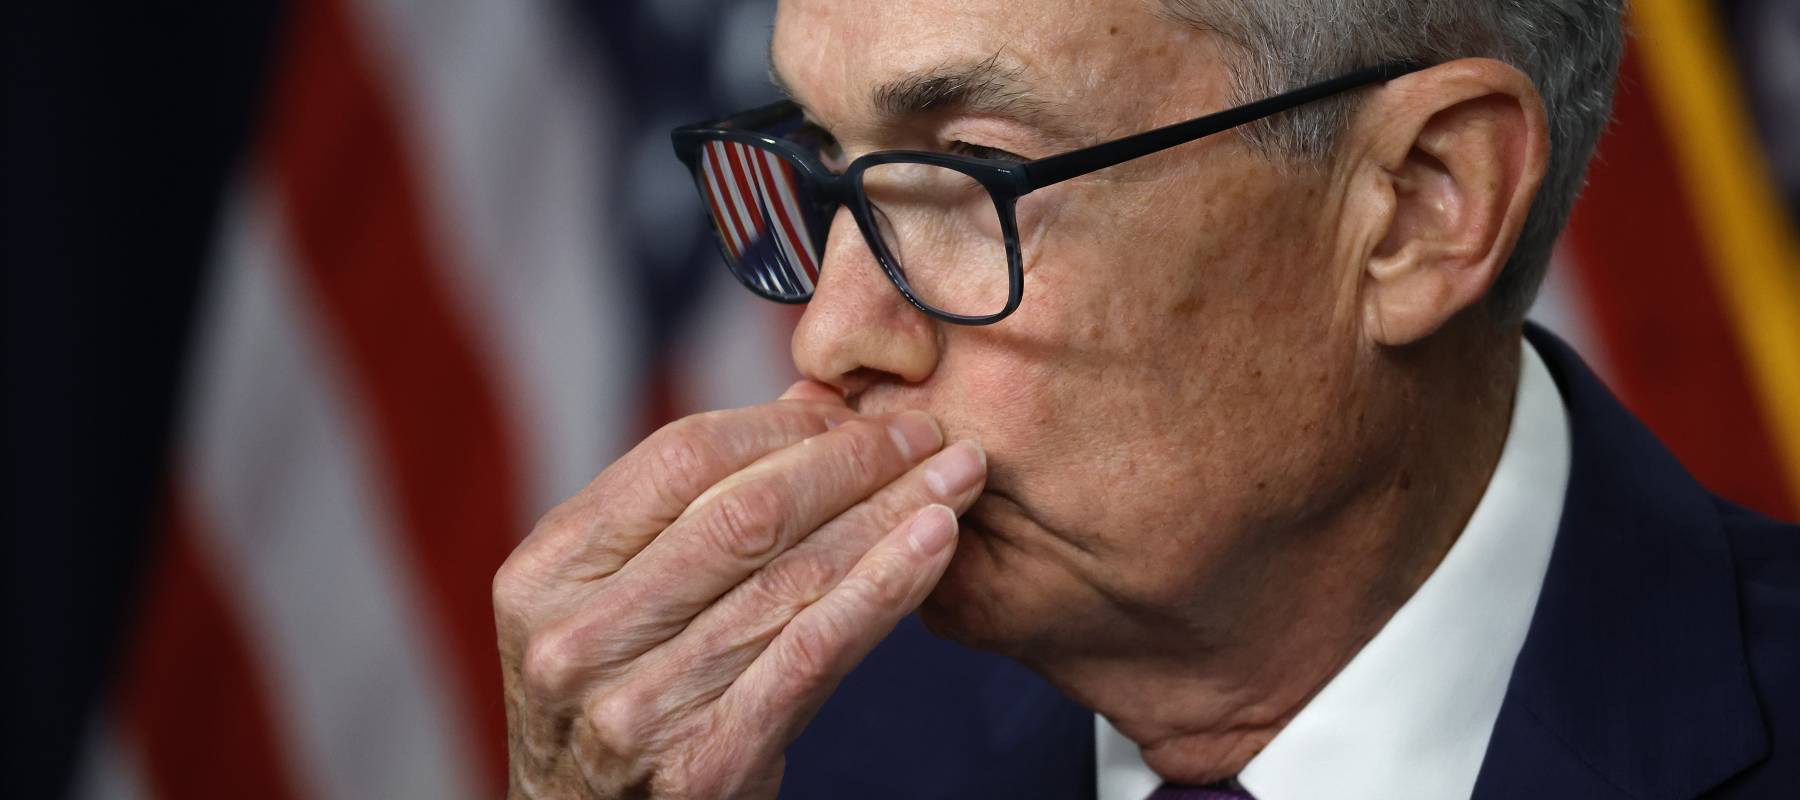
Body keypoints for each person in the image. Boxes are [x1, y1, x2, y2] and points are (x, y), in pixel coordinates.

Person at [491, 0, 1799, 797]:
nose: (829, 333)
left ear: (1419, 204)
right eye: (828, 164)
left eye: (969, 176)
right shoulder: (780, 759)